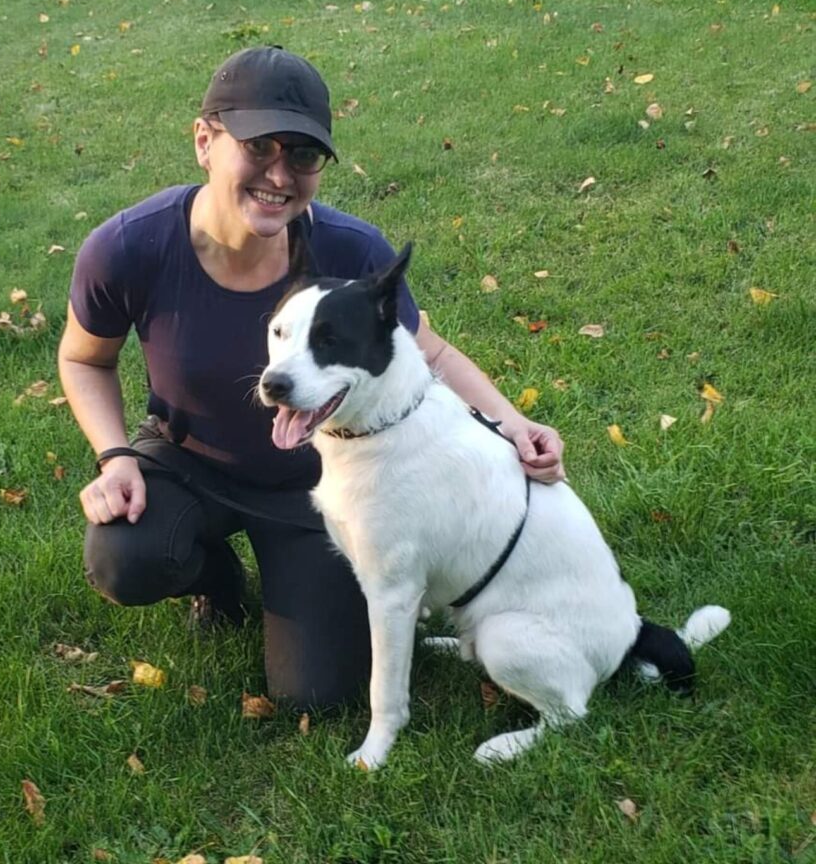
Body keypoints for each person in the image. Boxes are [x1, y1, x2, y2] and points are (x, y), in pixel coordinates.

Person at [57, 46, 565, 710]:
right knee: (125, 556)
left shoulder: (351, 251)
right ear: (205, 141)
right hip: (188, 463)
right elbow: (83, 357)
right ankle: (215, 579)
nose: (279, 174)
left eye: (302, 155)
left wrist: (514, 424)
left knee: (317, 695)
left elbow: (431, 355)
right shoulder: (132, 246)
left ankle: (298, 582)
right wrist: (115, 454)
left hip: (319, 490)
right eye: (259, 146)